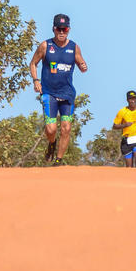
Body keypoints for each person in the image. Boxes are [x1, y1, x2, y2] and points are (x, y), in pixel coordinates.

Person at [29, 13, 88, 166]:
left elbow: (81, 63)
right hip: (49, 93)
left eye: (65, 29)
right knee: (51, 129)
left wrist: (83, 66)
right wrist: (36, 80)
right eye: (59, 29)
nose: (62, 32)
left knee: (66, 127)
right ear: (53, 29)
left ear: (69, 29)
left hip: (67, 94)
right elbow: (33, 63)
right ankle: (52, 143)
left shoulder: (74, 47)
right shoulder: (45, 46)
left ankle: (58, 160)